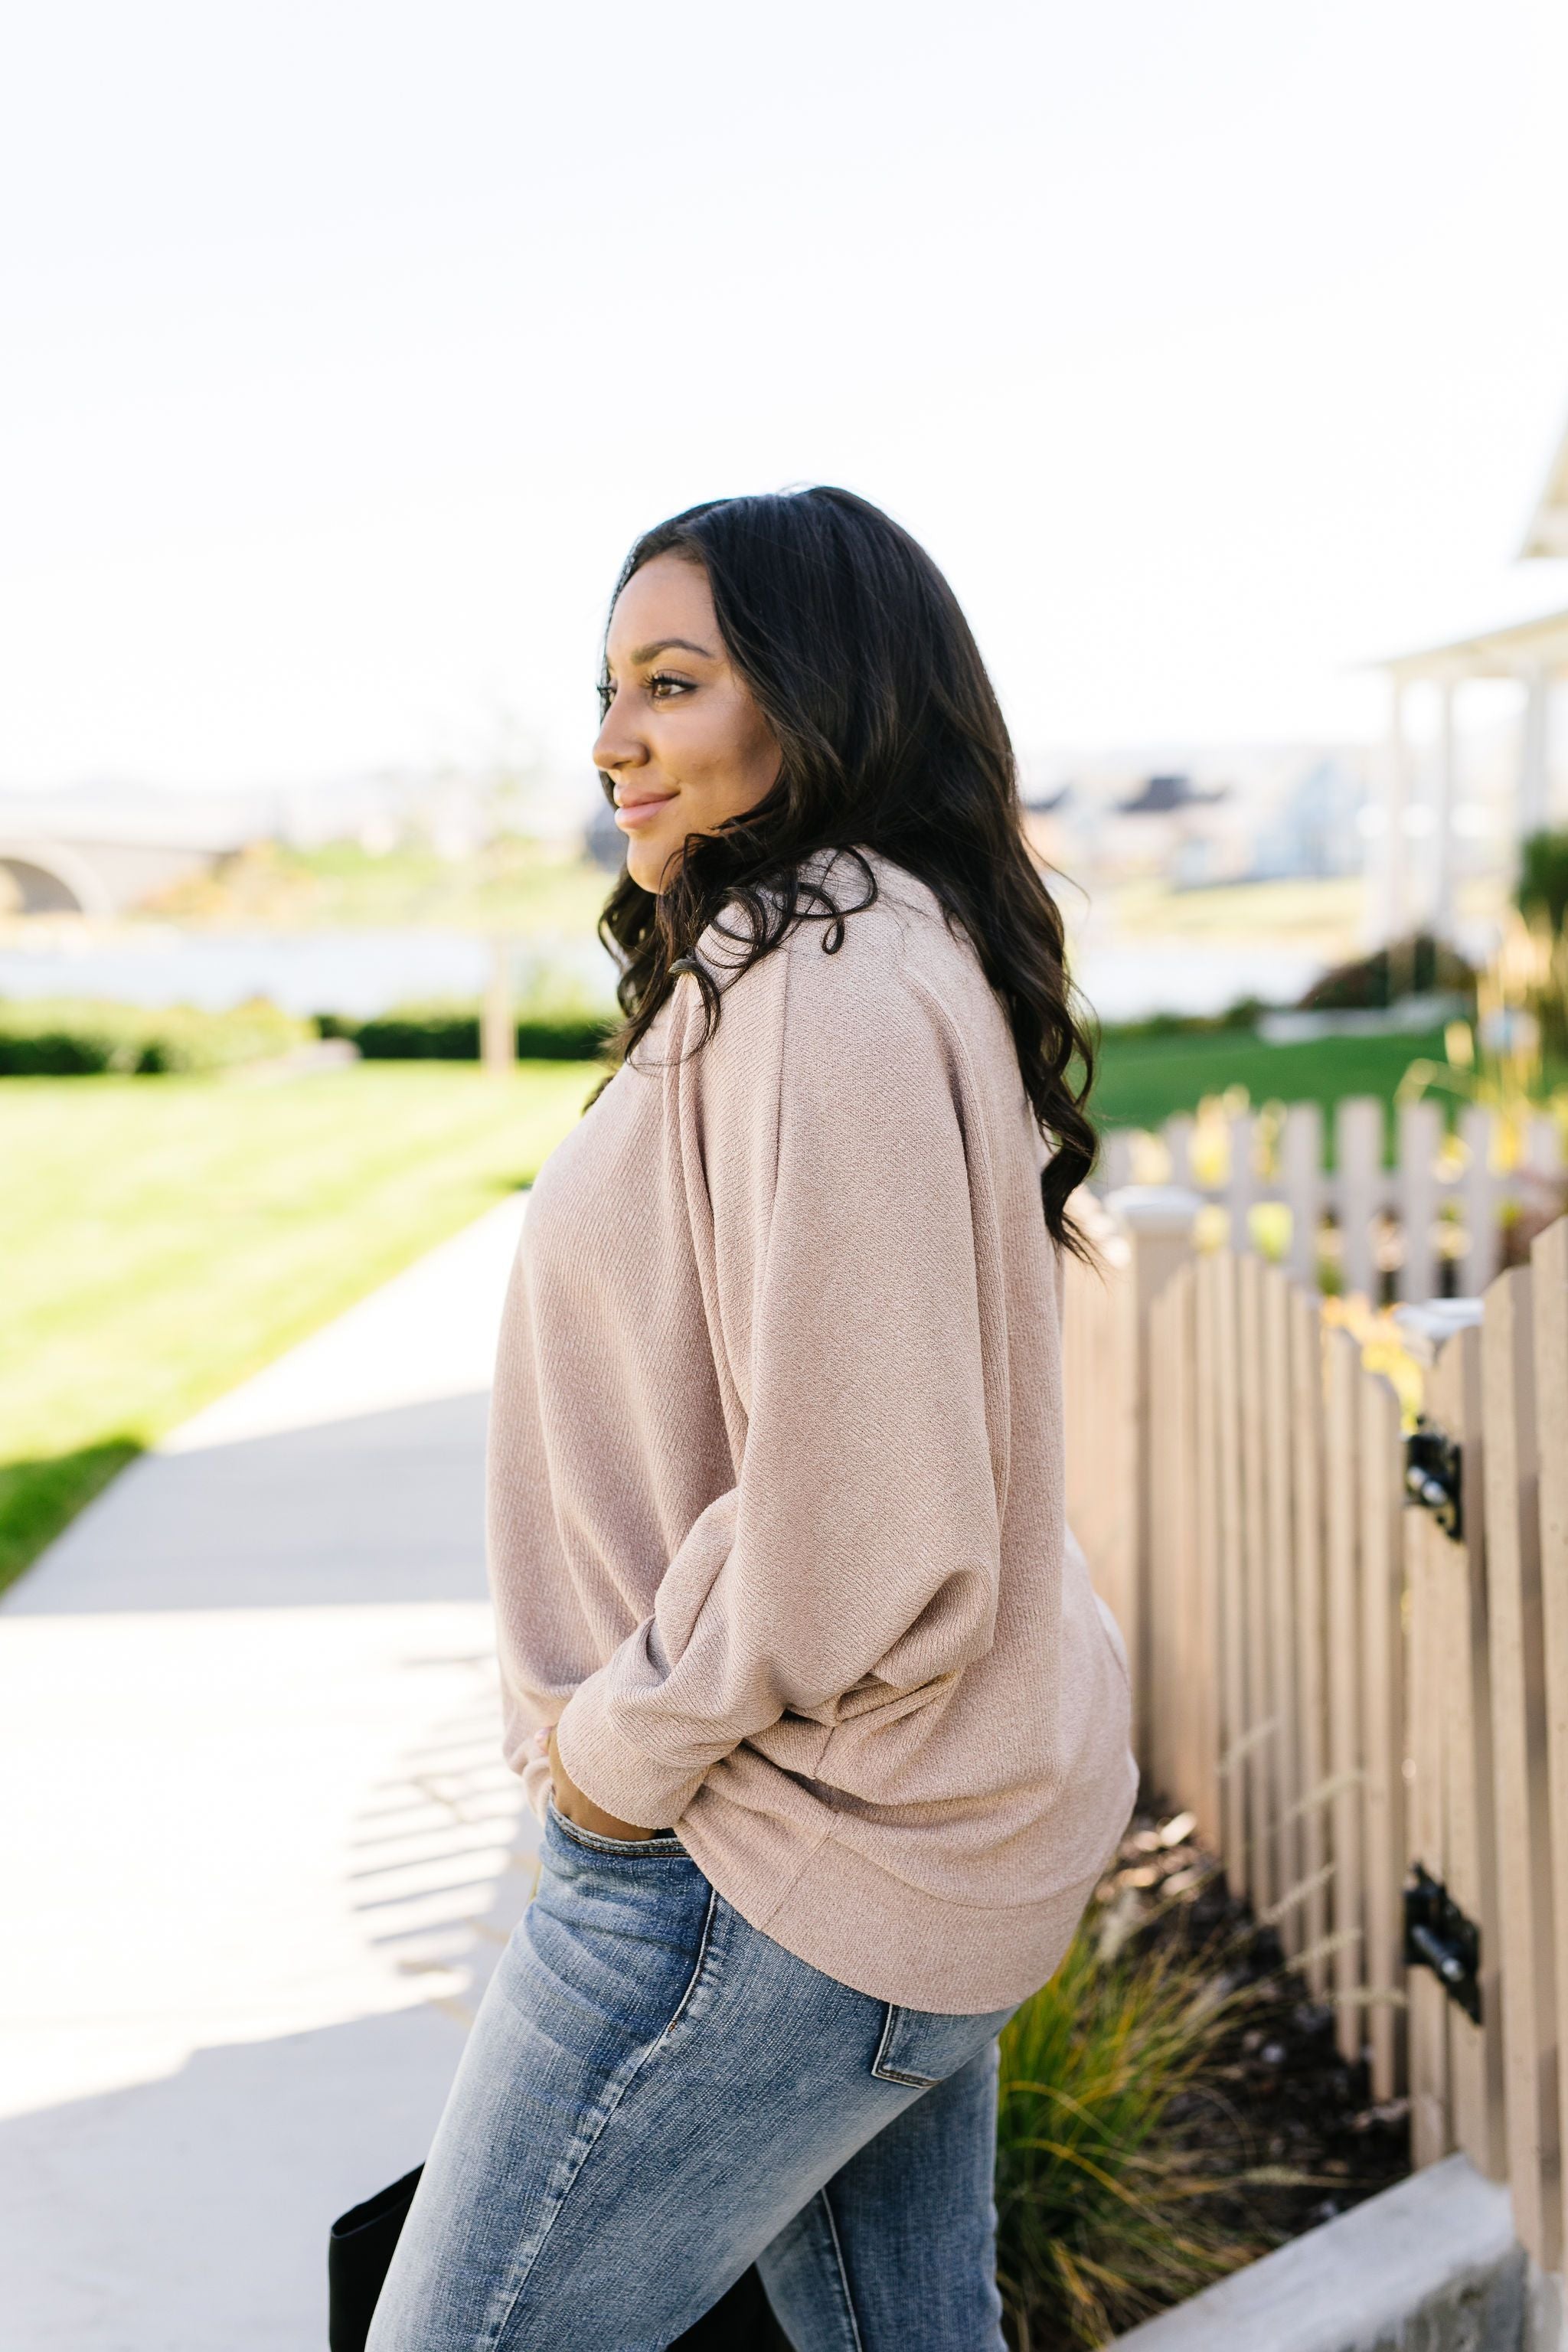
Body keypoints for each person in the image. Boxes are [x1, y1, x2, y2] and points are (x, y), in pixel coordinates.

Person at [366, 487, 1138, 2351]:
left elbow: (865, 1506)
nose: (613, 739)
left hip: (756, 1857)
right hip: (859, 1835)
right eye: (609, 687)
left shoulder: (830, 976)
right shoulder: (845, 948)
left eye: (672, 683)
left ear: (815, 697)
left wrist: (615, 1756)